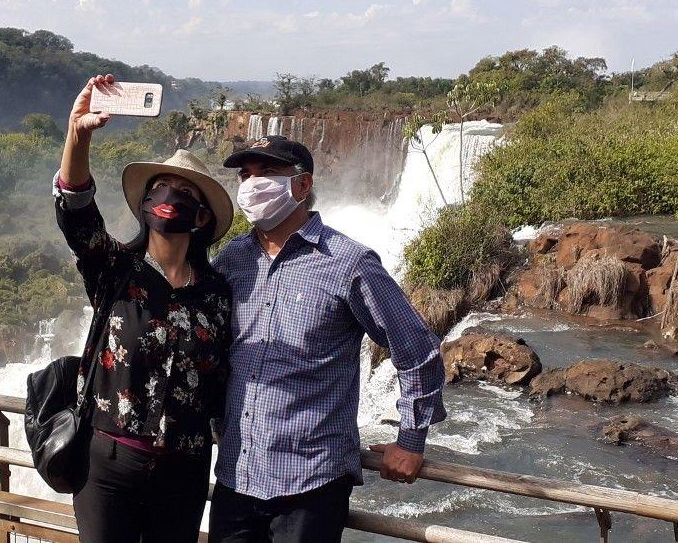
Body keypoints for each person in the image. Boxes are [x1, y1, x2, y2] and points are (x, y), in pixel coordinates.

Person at [208, 135, 447, 542]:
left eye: (268, 173)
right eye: (246, 175)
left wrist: (410, 440)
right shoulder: (232, 259)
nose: (252, 184)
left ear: (302, 185)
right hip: (236, 473)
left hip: (310, 484)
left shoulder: (349, 262)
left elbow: (417, 349)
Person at [54, 74, 234, 543]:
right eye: (163, 186)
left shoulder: (217, 294)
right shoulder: (115, 269)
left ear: (202, 217)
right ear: (146, 202)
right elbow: (76, 211)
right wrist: (78, 134)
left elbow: (224, 381)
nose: (171, 196)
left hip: (184, 469)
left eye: (185, 193)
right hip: (108, 463)